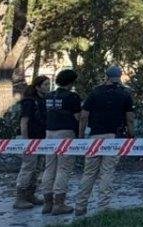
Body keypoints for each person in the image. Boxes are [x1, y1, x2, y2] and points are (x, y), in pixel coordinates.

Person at [73, 65, 135, 217]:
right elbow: (130, 119)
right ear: (120, 77)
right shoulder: (125, 94)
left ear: (106, 76)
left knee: (89, 173)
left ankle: (80, 206)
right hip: (114, 137)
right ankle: (103, 206)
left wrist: (81, 135)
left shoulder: (95, 93)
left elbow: (84, 116)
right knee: (107, 172)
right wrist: (131, 136)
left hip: (95, 137)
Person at [39, 69, 83, 215]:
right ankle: (59, 204)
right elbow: (78, 117)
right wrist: (81, 133)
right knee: (63, 168)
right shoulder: (72, 97)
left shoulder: (49, 96)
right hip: (65, 133)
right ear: (71, 82)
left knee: (49, 167)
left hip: (49, 133)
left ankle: (47, 203)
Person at [13, 75, 51, 210]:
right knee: (27, 168)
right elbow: (24, 121)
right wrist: (25, 140)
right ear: (37, 86)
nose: (48, 87)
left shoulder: (44, 100)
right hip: (30, 139)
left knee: (37, 168)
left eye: (49, 84)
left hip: (41, 139)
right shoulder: (29, 102)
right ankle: (20, 198)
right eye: (45, 84)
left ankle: (30, 195)